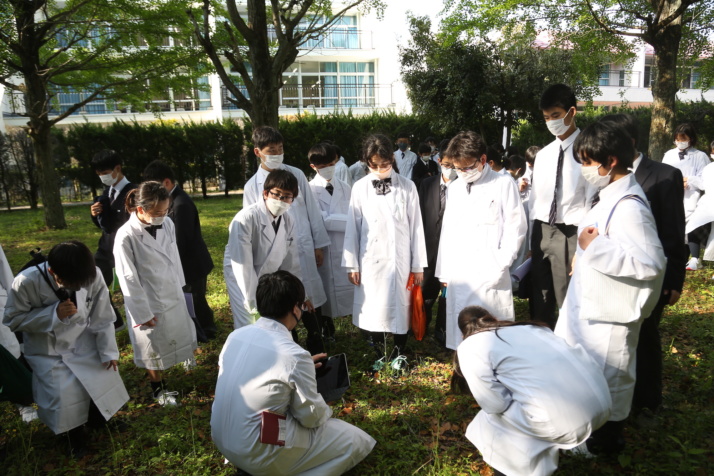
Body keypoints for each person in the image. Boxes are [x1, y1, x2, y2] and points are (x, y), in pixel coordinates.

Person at [554, 121, 666, 454]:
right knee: (590, 377)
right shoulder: (611, 196)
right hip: (594, 307)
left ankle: (606, 442)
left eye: (588, 162)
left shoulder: (630, 206)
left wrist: (594, 248)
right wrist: (585, 253)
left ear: (611, 161)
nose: (585, 169)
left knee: (610, 378)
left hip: (610, 314)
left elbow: (650, 263)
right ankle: (588, 435)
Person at [211, 271, 376, 476]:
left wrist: (303, 368)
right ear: (295, 309)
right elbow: (311, 418)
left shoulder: (236, 336)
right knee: (355, 440)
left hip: (223, 440)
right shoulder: (294, 356)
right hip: (257, 451)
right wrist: (325, 404)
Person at [4, 241, 129, 454]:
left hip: (84, 340)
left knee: (100, 377)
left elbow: (103, 317)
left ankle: (100, 420)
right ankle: (71, 436)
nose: (77, 289)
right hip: (49, 350)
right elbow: (13, 320)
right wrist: (52, 315)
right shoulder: (25, 282)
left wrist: (108, 351)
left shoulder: (94, 274)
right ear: (52, 271)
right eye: (71, 284)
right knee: (63, 395)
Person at [454, 306, 611, 476]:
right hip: (603, 404)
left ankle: (510, 471)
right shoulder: (531, 327)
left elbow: (494, 404)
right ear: (493, 318)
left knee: (488, 421)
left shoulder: (469, 345)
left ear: (463, 334)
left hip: (564, 423)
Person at [600, 114, 687, 418]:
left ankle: (647, 402)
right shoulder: (603, 173)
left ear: (629, 142)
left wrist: (674, 279)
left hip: (652, 273)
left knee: (646, 338)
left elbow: (674, 230)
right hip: (613, 274)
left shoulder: (664, 175)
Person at [242, 126, 330, 356]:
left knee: (310, 299)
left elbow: (312, 210)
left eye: (281, 149)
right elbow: (253, 225)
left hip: (302, 246)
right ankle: (290, 349)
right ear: (258, 152)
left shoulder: (297, 174)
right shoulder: (252, 186)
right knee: (283, 301)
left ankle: (317, 344)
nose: (278, 153)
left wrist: (318, 244)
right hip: (273, 253)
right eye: (272, 150)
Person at [436, 131, 526, 351]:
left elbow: (516, 228)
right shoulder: (455, 188)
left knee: (493, 332)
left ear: (483, 160)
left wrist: (501, 263)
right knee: (462, 333)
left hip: (490, 269)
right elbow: (447, 230)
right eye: (458, 168)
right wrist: (444, 272)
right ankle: (465, 371)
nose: (463, 173)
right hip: (460, 270)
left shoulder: (503, 183)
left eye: (467, 167)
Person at [343, 134, 427, 364]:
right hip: (371, 258)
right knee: (375, 307)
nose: (380, 169)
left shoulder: (407, 186)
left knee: (401, 305)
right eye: (374, 165)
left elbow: (416, 227)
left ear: (392, 158)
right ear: (366, 162)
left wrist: (418, 264)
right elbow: (353, 226)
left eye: (384, 164)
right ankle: (379, 354)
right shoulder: (360, 188)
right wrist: (352, 263)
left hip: (400, 258)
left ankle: (399, 353)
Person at [113, 182, 197, 407]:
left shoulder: (167, 223)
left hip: (171, 289)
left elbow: (173, 253)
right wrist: (142, 312)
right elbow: (127, 277)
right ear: (140, 209)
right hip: (147, 297)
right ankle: (158, 389)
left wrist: (180, 284)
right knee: (152, 344)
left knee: (179, 328)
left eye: (165, 211)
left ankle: (185, 356)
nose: (162, 216)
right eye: (157, 213)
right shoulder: (125, 236)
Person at [529, 84, 596, 328]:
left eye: (556, 116)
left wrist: (583, 246)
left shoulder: (587, 151)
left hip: (571, 230)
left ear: (571, 112)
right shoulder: (545, 154)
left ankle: (569, 343)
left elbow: (592, 198)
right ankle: (541, 340)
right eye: (546, 118)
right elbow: (535, 199)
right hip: (542, 229)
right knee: (540, 293)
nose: (551, 122)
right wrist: (531, 239)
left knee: (566, 294)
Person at [143, 160, 217, 341]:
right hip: (186, 261)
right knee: (192, 298)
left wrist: (170, 263)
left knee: (195, 298)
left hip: (192, 263)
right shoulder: (173, 201)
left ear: (166, 183)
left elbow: (180, 240)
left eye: (155, 188)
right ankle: (202, 328)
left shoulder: (180, 204)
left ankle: (207, 330)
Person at [224, 169, 301, 329]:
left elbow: (290, 260)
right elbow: (242, 264)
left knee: (274, 323)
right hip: (242, 279)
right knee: (250, 322)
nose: (281, 200)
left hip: (269, 279)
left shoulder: (288, 220)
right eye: (277, 194)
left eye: (287, 197)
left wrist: (294, 293)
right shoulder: (246, 219)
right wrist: (253, 300)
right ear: (265, 193)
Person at [89, 149, 137, 331]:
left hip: (127, 249)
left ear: (117, 168)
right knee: (92, 280)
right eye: (99, 174)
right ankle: (116, 321)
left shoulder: (133, 191)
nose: (103, 177)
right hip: (106, 248)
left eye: (105, 173)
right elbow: (105, 225)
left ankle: (138, 322)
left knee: (131, 287)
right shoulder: (106, 192)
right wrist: (95, 214)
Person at [308, 143, 353, 334]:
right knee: (324, 288)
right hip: (323, 248)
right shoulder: (309, 190)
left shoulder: (346, 187)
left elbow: (355, 214)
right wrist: (350, 222)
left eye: (331, 163)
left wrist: (350, 221)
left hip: (346, 246)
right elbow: (320, 220)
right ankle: (328, 328)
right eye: (322, 165)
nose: (328, 168)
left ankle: (359, 326)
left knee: (351, 288)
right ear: (313, 167)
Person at [418, 150, 457, 346]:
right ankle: (420, 326)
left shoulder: (462, 186)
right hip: (428, 248)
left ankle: (442, 330)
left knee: (447, 293)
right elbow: (419, 216)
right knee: (425, 291)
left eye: (454, 166)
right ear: (440, 162)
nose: (450, 169)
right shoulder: (427, 184)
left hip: (451, 250)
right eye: (447, 164)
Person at [661, 123, 710, 271]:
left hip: (691, 196)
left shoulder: (700, 156)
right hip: (672, 195)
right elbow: (663, 173)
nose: (680, 142)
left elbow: (706, 180)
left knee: (691, 224)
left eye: (683, 138)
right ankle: (681, 257)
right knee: (675, 225)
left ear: (691, 138)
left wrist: (689, 180)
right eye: (677, 139)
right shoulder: (669, 154)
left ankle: (695, 258)